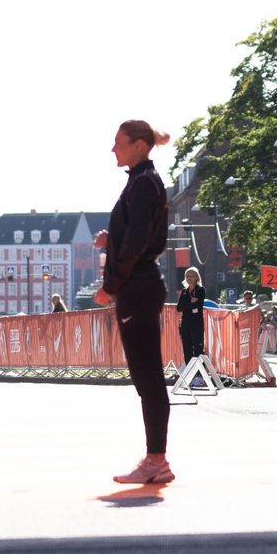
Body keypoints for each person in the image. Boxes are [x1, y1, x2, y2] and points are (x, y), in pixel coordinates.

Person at [93, 120, 174, 485]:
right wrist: (112, 241)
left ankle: (156, 459)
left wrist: (110, 285)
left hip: (137, 287)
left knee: (148, 377)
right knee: (147, 377)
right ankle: (157, 459)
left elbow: (139, 240)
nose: (113, 149)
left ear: (139, 145)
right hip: (141, 284)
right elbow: (138, 235)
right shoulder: (143, 182)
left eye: (118, 143)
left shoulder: (143, 184)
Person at [176, 266, 205, 366]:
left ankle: (200, 374)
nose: (189, 278)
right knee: (187, 349)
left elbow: (198, 304)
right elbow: (179, 307)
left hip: (196, 324)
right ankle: (190, 373)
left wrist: (186, 304)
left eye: (191, 275)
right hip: (185, 324)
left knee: (198, 349)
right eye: (187, 276)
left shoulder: (200, 290)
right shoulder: (184, 291)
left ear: (197, 277)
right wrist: (190, 303)